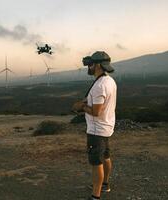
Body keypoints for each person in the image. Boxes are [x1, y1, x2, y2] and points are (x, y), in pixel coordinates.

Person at [72, 51, 117, 200]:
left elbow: (96, 111)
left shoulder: (99, 86)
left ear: (98, 65)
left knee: (96, 162)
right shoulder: (109, 81)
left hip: (97, 130)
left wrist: (81, 107)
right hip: (106, 127)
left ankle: (95, 195)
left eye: (91, 64)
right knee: (105, 156)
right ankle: (105, 184)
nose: (89, 67)